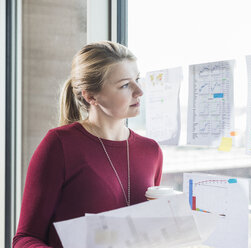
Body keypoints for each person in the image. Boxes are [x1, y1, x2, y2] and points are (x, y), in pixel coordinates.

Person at [13, 41, 163, 247]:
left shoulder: (151, 151)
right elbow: (25, 238)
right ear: (91, 96)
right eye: (125, 85)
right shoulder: (60, 145)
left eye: (137, 79)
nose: (139, 91)